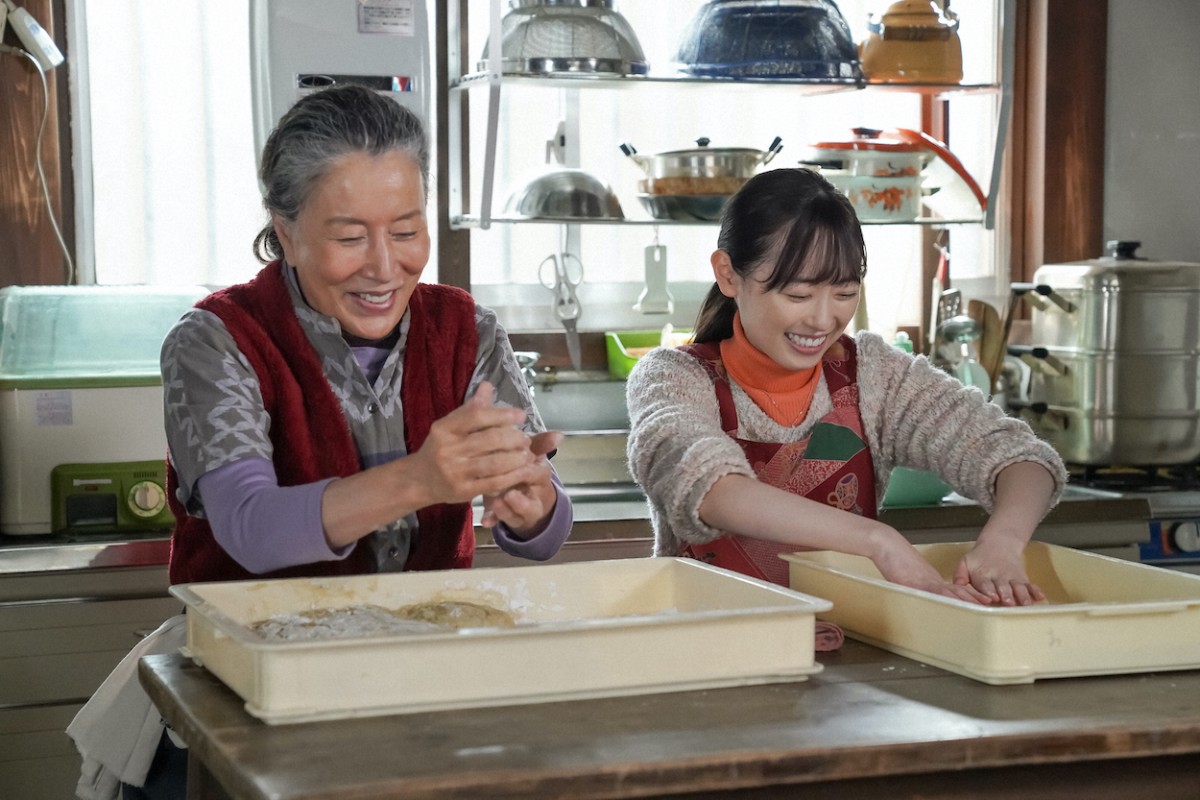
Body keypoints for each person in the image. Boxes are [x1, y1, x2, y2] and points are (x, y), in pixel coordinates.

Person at [68, 83, 572, 800]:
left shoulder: (467, 330)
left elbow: (546, 530)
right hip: (247, 695)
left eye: (406, 231)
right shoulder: (217, 341)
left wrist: (533, 506)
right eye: (348, 237)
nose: (384, 265)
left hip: (419, 693)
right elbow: (251, 530)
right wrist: (422, 480)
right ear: (286, 228)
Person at [625, 167, 1066, 607]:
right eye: (797, 295)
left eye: (844, 293)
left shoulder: (875, 376)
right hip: (710, 649)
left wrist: (1003, 544)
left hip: (854, 650)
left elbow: (1020, 457)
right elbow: (710, 488)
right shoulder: (674, 379)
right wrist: (877, 540)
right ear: (728, 274)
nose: (822, 320)